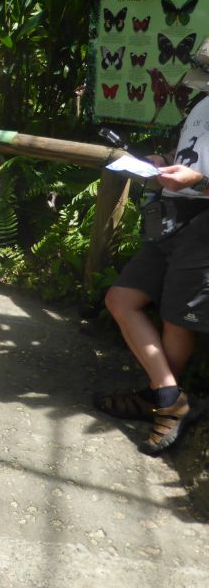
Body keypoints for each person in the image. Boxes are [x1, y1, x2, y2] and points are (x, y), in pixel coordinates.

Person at [95, 52, 209, 454]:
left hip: (204, 221)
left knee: (176, 318)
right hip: (175, 212)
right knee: (121, 298)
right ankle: (168, 397)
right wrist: (163, 163)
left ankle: (161, 399)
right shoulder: (201, 103)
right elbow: (192, 153)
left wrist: (202, 182)